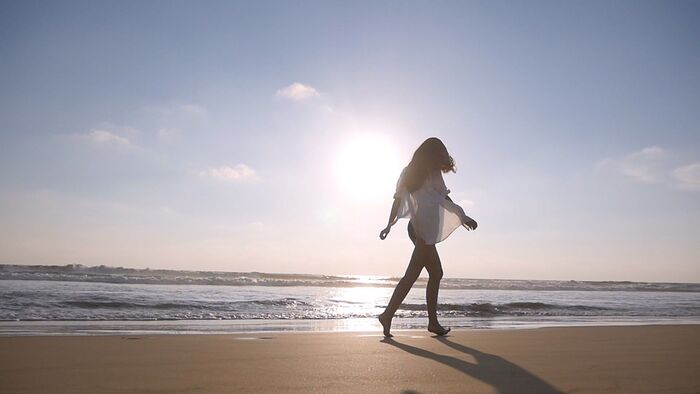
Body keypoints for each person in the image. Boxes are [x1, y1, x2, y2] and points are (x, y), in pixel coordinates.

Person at [378, 137, 477, 337]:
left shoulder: (418, 172)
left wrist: (463, 216)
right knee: (414, 274)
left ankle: (421, 320)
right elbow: (400, 199)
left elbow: (441, 197)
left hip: (420, 229)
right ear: (431, 154)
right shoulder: (415, 173)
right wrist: (389, 225)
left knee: (435, 273)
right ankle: (391, 315)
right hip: (422, 230)